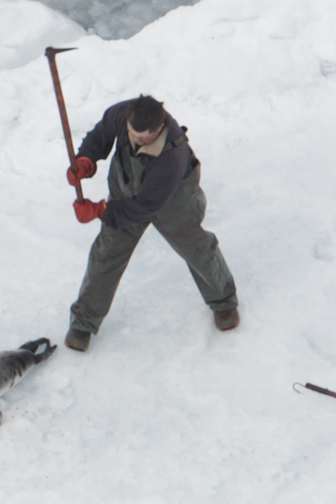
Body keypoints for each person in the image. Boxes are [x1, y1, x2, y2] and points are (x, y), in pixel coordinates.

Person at [64, 95, 239, 351]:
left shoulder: (173, 157)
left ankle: (224, 301)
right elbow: (101, 134)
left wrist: (100, 211)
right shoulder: (123, 114)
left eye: (144, 138)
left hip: (172, 200)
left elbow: (144, 206)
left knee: (195, 247)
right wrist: (86, 160)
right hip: (127, 187)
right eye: (132, 134)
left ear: (159, 128)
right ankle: (83, 321)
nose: (136, 140)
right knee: (107, 253)